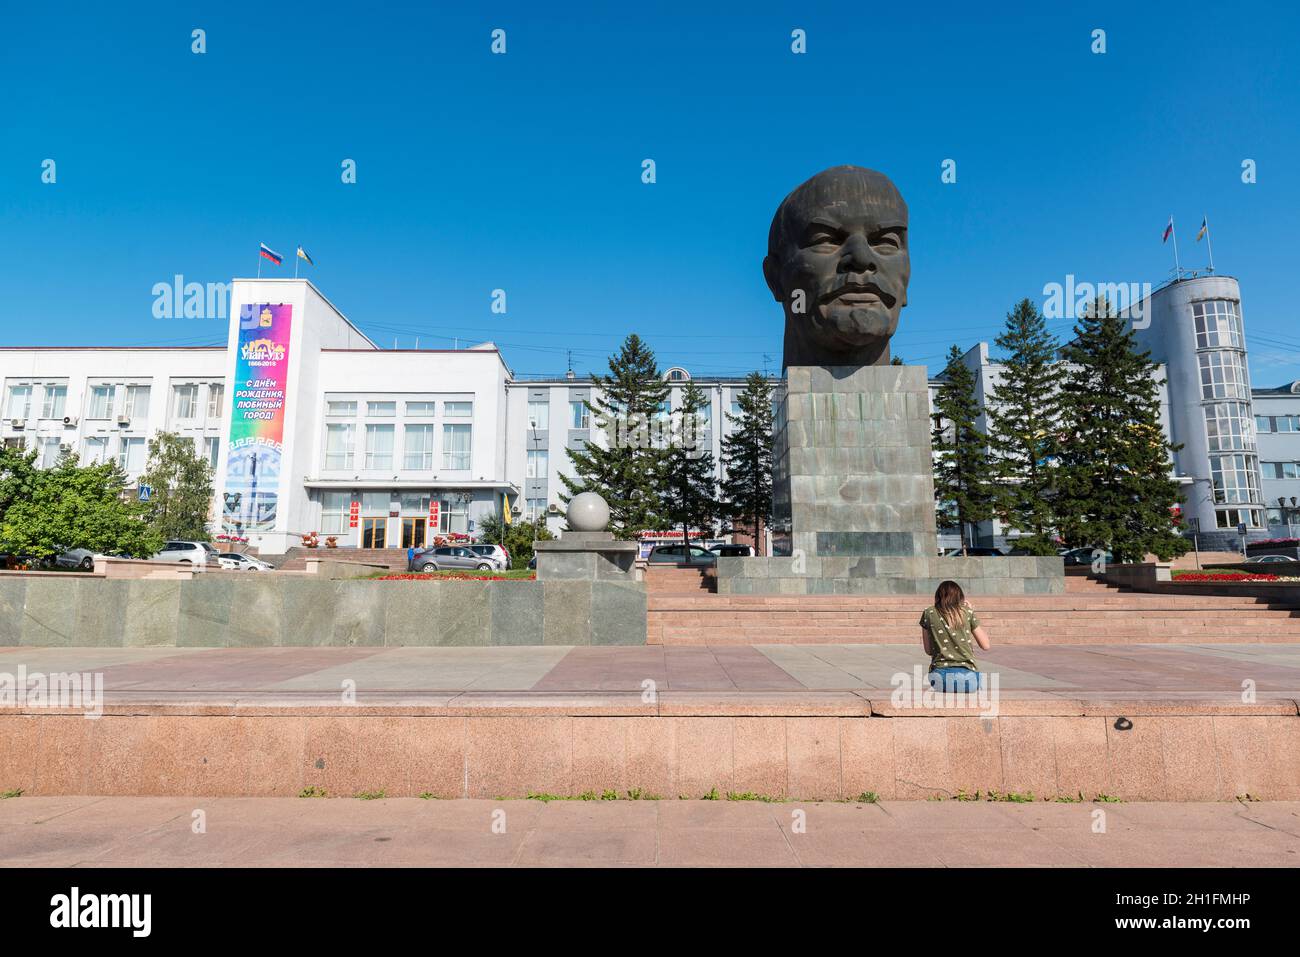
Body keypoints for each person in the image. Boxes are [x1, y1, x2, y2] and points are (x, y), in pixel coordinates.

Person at [918, 580, 990, 693]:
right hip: (969, 680)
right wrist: (970, 612)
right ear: (960, 597)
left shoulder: (928, 613)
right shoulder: (967, 613)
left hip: (940, 679)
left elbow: (928, 651)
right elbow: (986, 645)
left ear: (938, 596)